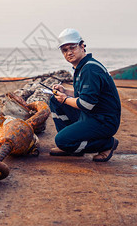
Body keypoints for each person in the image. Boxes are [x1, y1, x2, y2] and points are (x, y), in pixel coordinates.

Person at [49, 28, 121, 162]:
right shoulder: (82, 67)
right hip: (93, 115)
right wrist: (65, 91)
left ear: (82, 46)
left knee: (61, 140)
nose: (69, 52)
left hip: (103, 121)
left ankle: (107, 144)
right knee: (55, 100)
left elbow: (86, 104)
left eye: (72, 47)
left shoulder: (89, 69)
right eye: (65, 50)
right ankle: (70, 146)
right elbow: (83, 95)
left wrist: (65, 99)